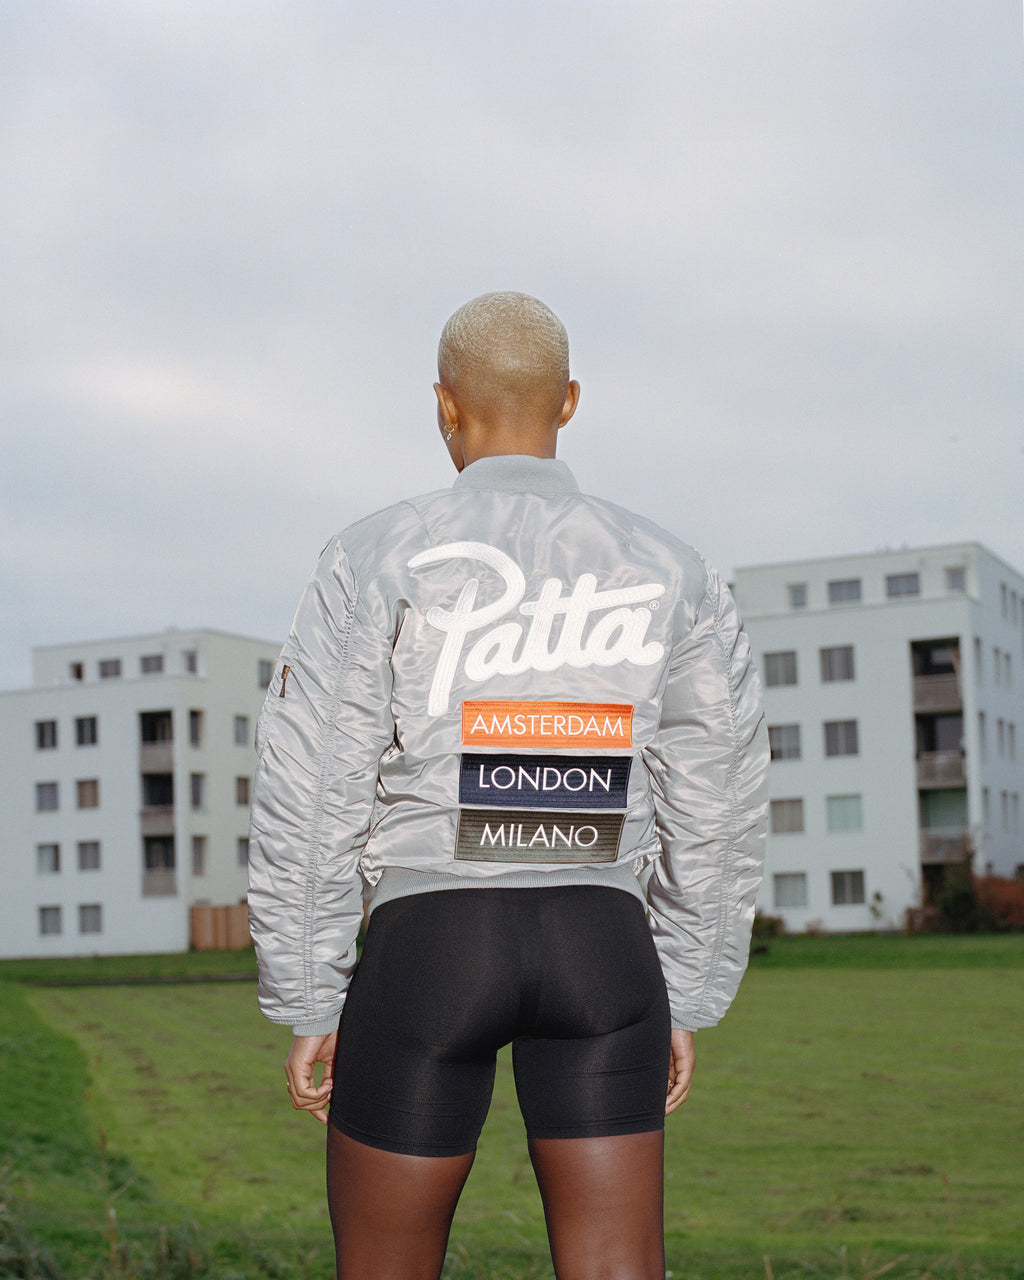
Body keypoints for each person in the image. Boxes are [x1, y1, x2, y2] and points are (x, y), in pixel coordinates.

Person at [247, 291, 768, 1280]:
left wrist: (311, 990)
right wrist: (687, 990)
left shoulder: (371, 555)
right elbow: (718, 797)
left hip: (430, 951)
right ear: (568, 400)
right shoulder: (675, 569)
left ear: (444, 405)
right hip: (604, 953)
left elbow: (313, 788)